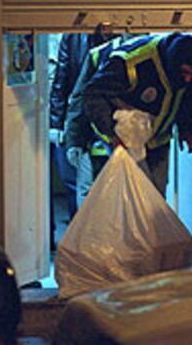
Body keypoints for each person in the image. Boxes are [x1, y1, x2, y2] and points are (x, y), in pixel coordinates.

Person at [81, 32, 192, 196]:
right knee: (128, 198)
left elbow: (182, 97)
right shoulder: (131, 63)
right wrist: (113, 133)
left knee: (153, 200)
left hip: (157, 141)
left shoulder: (182, 73)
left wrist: (186, 127)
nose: (188, 79)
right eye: (185, 73)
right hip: (122, 140)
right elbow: (93, 94)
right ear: (173, 63)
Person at [49, 22, 115, 243]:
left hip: (113, 123)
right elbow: (63, 79)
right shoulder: (75, 36)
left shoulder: (132, 37)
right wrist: (57, 124)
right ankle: (80, 241)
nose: (108, 26)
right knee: (76, 184)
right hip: (81, 120)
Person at [64, 34, 133, 208]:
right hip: (94, 139)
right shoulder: (98, 53)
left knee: (122, 198)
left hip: (125, 142)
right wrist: (74, 139)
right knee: (90, 195)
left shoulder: (145, 56)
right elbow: (79, 96)